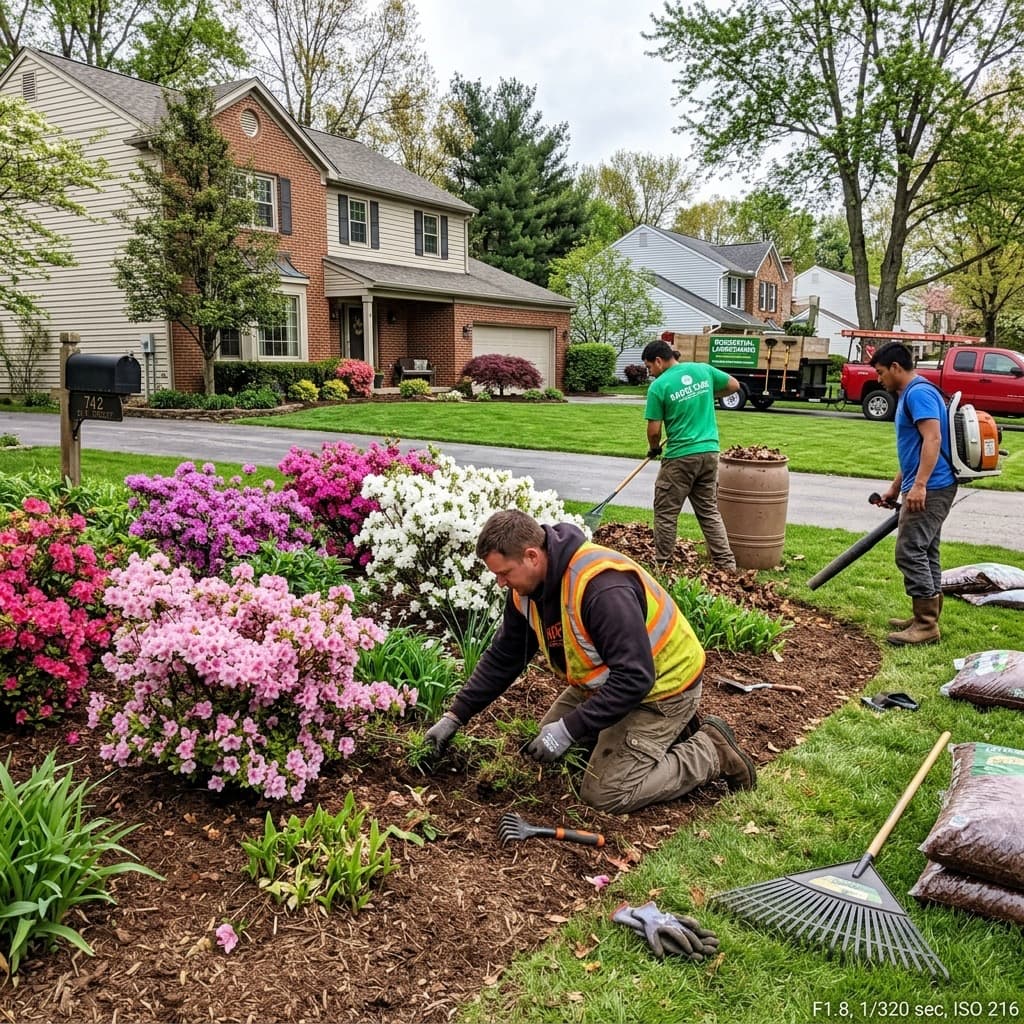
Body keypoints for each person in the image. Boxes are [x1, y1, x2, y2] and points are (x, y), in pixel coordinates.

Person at [423, 510, 756, 814]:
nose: (500, 582)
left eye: (504, 573)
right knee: (542, 754)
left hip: (663, 689)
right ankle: (662, 739)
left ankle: (711, 751)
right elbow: (504, 658)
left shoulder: (600, 589)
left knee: (605, 794)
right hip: (609, 684)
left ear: (532, 556)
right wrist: (455, 716)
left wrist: (569, 728)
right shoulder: (526, 592)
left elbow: (636, 678)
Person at [869, 342, 957, 645]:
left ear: (895, 367)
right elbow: (914, 448)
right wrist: (897, 487)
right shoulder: (913, 393)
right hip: (928, 484)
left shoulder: (918, 394)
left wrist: (919, 486)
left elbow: (933, 440)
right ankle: (925, 616)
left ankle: (926, 624)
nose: (879, 379)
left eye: (881, 372)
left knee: (909, 550)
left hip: (932, 486)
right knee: (926, 550)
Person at [641, 340, 740, 570]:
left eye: (649, 367)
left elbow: (654, 430)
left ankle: (663, 566)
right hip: (710, 453)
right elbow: (733, 385)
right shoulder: (703, 370)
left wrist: (654, 448)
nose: (650, 373)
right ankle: (727, 565)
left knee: (666, 513)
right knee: (708, 512)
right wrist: (705, 394)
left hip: (680, 458)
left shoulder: (659, 386)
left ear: (658, 361)